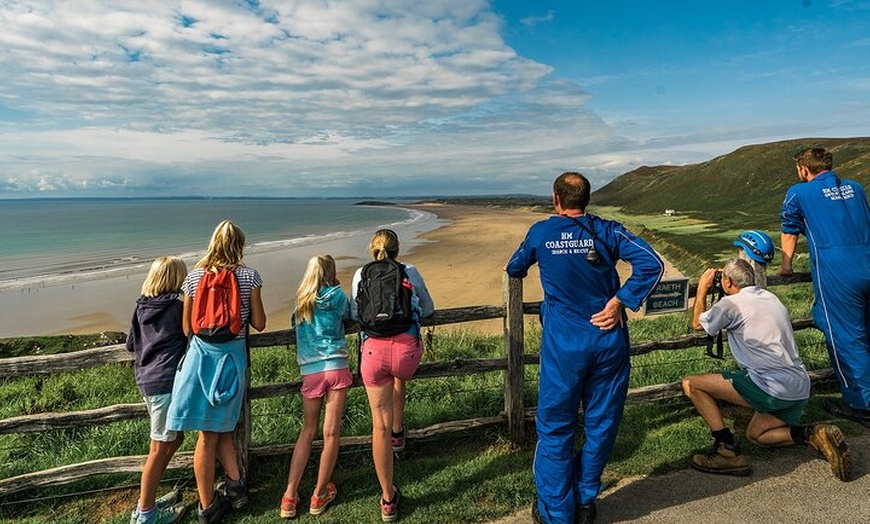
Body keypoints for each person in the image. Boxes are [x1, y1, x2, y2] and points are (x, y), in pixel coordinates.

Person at [506, 172, 664, 524]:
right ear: (587, 200)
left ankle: (557, 512)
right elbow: (651, 264)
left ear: (555, 199)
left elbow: (514, 267)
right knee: (601, 422)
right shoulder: (607, 230)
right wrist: (620, 302)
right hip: (607, 340)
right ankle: (584, 498)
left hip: (564, 345)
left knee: (555, 426)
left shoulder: (541, 232)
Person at [684, 258, 851, 481]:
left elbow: (698, 323)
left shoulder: (730, 304)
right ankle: (812, 435)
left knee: (691, 384)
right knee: (757, 435)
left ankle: (727, 450)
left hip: (769, 387)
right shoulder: (770, 297)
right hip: (799, 387)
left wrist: (703, 288)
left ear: (729, 282)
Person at [166, 220, 267, 524]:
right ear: (240, 245)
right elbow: (260, 323)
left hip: (201, 359)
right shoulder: (250, 276)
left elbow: (187, 328)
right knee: (214, 431)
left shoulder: (194, 278)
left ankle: (222, 496)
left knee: (212, 432)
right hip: (232, 360)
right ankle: (216, 502)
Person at [780, 147, 870, 425]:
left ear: (803, 169)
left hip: (837, 269)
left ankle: (862, 404)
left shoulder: (799, 192)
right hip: (866, 257)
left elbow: (789, 229)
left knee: (844, 335)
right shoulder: (855, 188)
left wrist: (786, 266)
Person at [350, 229, 435, 522]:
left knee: (379, 427)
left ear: (371, 249)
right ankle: (399, 434)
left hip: (373, 354)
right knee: (399, 376)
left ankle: (388, 499)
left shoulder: (361, 274)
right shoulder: (409, 270)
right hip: (406, 356)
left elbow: (355, 313)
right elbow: (428, 308)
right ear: (398, 250)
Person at [280, 255, 351, 519]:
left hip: (311, 371)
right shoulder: (338, 296)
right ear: (331, 274)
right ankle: (319, 495)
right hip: (336, 366)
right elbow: (349, 315)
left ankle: (289, 496)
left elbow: (293, 323)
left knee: (307, 431)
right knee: (330, 433)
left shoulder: (302, 302)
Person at [126, 256, 190, 524]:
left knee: (174, 440)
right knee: (159, 448)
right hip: (165, 381)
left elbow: (131, 344)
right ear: (177, 279)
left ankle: (147, 500)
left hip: (146, 380)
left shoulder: (141, 307)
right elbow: (190, 334)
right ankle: (146, 514)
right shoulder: (176, 308)